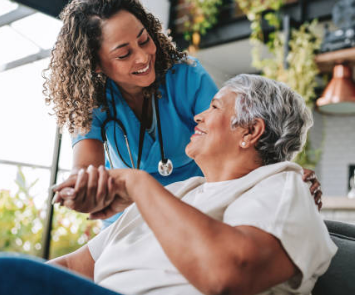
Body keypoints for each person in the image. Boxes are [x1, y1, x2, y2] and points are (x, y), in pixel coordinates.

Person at [1, 74, 337, 295]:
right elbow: (75, 266)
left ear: (250, 132)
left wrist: (137, 183)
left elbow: (227, 274)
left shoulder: (281, 188)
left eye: (215, 107)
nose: (198, 116)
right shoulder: (179, 193)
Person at [43, 0, 323, 227]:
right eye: (124, 54)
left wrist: (283, 177)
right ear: (96, 65)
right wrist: (81, 189)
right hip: (127, 220)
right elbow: (85, 170)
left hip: (194, 211)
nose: (143, 57)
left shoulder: (186, 76)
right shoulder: (92, 100)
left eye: (144, 40)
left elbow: (236, 139)